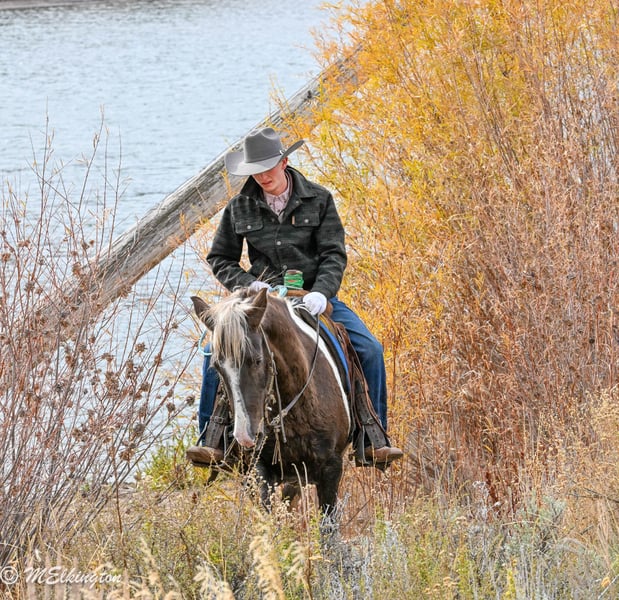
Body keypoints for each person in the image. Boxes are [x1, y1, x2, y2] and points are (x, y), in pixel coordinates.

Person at [186, 127, 403, 466]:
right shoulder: (239, 207)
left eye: (268, 168)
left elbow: (334, 255)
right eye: (255, 171)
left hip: (312, 296)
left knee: (371, 350)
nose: (262, 177)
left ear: (284, 162)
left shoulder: (319, 198)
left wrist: (322, 293)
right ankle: (213, 441)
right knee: (216, 350)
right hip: (260, 301)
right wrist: (250, 284)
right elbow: (220, 259)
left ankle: (372, 439)